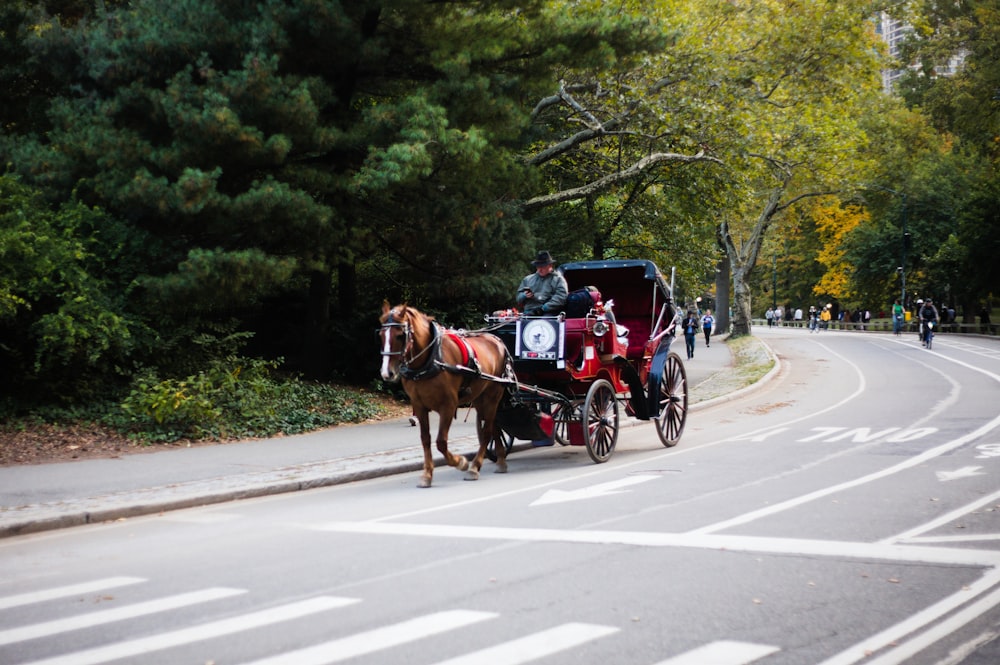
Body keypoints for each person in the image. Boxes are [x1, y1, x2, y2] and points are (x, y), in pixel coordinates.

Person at [516, 250, 568, 315]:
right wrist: (524, 295)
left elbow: (561, 297)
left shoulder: (558, 279)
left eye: (543, 266)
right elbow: (518, 298)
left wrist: (544, 308)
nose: (540, 269)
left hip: (549, 312)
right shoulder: (527, 279)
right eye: (538, 266)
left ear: (550, 265)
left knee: (545, 321)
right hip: (529, 312)